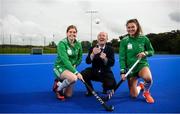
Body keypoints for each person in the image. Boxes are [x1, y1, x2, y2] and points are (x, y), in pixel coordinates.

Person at [119, 19, 155, 103]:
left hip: (141, 64)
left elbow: (152, 51)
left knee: (148, 78)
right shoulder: (124, 41)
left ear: (137, 27)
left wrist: (145, 53)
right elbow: (122, 57)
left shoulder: (144, 38)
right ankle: (140, 86)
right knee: (133, 95)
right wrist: (123, 71)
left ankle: (146, 92)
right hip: (130, 69)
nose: (130, 29)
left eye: (133, 27)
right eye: (128, 27)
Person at [53, 25, 83, 100]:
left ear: (76, 34)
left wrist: (75, 65)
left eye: (74, 32)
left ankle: (58, 83)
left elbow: (80, 58)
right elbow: (65, 60)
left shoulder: (78, 44)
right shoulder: (62, 44)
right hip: (60, 67)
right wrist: (76, 72)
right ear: (66, 33)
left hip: (71, 68)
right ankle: (58, 90)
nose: (72, 34)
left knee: (68, 95)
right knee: (73, 78)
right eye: (70, 32)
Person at [81, 32, 117, 96]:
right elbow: (87, 62)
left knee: (112, 85)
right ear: (97, 38)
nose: (101, 37)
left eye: (103, 36)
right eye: (99, 36)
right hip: (94, 71)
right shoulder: (92, 48)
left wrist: (105, 59)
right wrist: (92, 54)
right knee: (83, 74)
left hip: (106, 72)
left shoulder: (110, 49)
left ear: (107, 39)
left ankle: (105, 87)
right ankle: (90, 91)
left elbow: (112, 63)